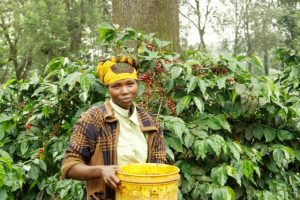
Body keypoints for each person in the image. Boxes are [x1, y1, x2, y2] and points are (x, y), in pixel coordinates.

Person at [61, 56, 167, 200]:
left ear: (137, 84)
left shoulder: (150, 122)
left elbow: (159, 166)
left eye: (130, 84)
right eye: (116, 86)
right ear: (108, 89)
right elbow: (69, 165)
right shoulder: (92, 120)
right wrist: (101, 171)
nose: (125, 91)